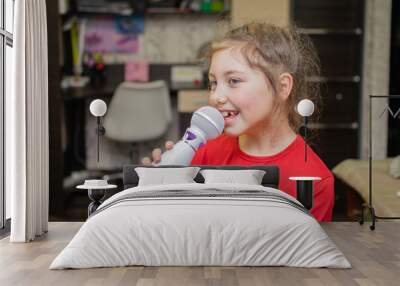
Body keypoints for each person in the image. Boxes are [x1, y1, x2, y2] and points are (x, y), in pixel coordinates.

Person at [142, 22, 334, 222]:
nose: (216, 96)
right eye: (213, 83)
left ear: (282, 87)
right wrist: (158, 184)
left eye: (233, 81)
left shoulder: (313, 180)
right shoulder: (204, 152)